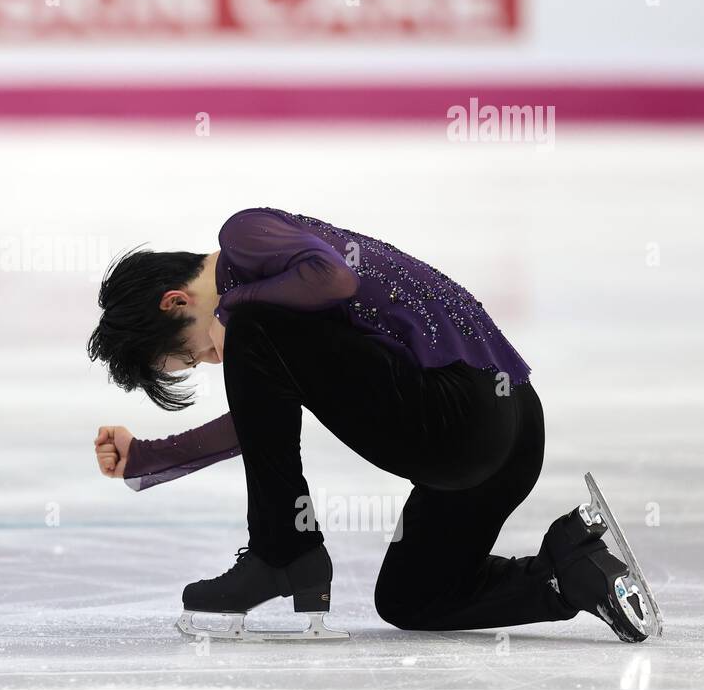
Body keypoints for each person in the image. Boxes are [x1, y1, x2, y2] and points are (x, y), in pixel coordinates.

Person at [87, 207, 658, 642]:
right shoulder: (264, 317)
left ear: (175, 302)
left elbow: (332, 277)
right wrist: (148, 457)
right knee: (414, 599)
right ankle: (570, 572)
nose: (211, 361)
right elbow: (264, 418)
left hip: (466, 416)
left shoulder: (243, 238)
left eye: (190, 355)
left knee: (255, 330)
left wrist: (237, 313)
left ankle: (283, 553)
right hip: (507, 432)